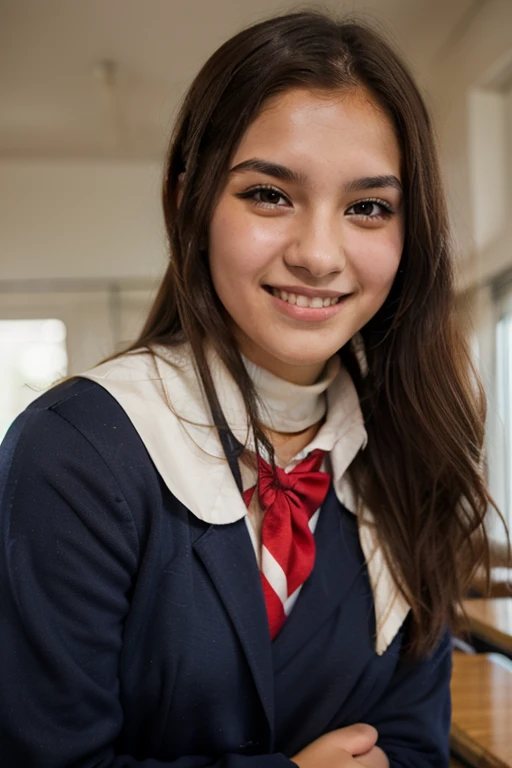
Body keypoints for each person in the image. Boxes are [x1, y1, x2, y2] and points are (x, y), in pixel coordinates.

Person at [0, 10, 494, 768]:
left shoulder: (405, 453)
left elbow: (412, 745)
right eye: (270, 194)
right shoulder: (76, 454)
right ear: (189, 201)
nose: (319, 255)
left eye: (368, 207)